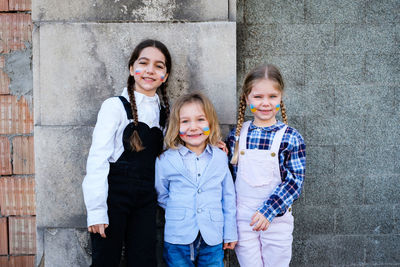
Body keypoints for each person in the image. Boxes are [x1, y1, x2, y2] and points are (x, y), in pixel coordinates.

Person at [82, 39, 172, 267]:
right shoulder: (114, 106)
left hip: (146, 200)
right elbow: (97, 159)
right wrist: (96, 211)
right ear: (132, 69)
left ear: (166, 75)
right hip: (114, 197)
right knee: (106, 260)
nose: (150, 70)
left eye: (159, 66)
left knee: (143, 260)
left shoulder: (164, 112)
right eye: (144, 63)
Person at [227, 64, 306, 267]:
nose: (265, 103)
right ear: (246, 98)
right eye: (258, 97)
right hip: (243, 221)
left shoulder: (291, 137)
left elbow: (294, 182)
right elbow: (227, 175)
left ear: (281, 98)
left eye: (272, 96)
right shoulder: (236, 135)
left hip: (276, 221)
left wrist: (268, 211)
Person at [155, 92, 237, 267]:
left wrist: (230, 232)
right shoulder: (165, 160)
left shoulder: (220, 158)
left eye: (200, 120)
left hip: (213, 238)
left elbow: (228, 198)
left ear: (210, 122)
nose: (193, 127)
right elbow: (161, 194)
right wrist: (179, 209)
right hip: (178, 239)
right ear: (176, 126)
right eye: (185, 121)